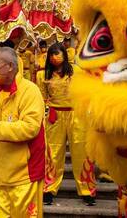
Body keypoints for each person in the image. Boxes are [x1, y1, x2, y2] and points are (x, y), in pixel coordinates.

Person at [0, 46, 46, 217]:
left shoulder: (29, 90)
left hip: (24, 173)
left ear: (10, 66)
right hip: (2, 175)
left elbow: (30, 128)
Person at [36, 43, 97, 206]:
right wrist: (47, 111)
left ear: (64, 54)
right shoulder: (43, 75)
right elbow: (42, 98)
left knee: (81, 152)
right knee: (53, 152)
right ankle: (49, 189)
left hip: (77, 114)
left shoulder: (77, 71)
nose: (54, 57)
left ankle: (87, 190)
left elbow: (86, 92)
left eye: (57, 53)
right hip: (54, 116)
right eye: (51, 54)